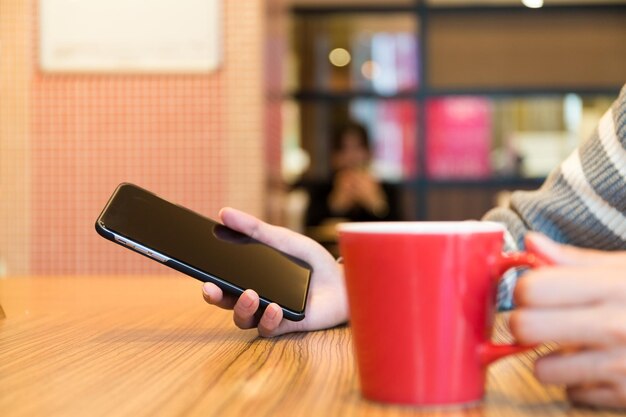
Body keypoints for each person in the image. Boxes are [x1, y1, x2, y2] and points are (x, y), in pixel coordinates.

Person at [202, 84, 626, 409]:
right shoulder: (320, 187)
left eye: (358, 149)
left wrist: (374, 204)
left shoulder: (384, 185)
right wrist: (357, 285)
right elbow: (530, 233)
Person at [304, 122, 398, 227]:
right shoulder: (320, 190)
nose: (351, 157)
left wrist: (376, 205)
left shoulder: (387, 190)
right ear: (334, 156)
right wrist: (335, 206)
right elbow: (309, 231)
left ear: (369, 152)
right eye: (343, 149)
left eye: (358, 148)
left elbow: (399, 230)